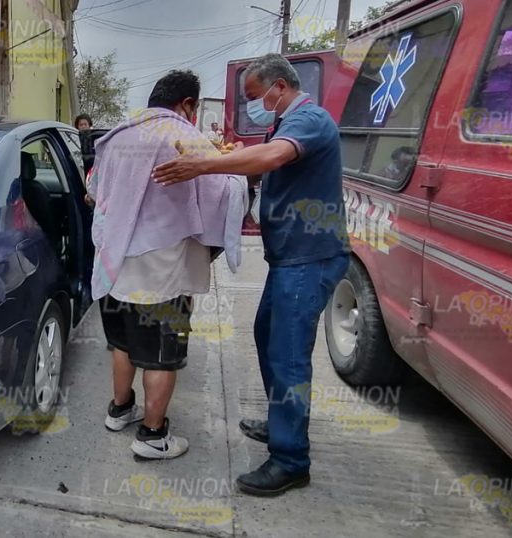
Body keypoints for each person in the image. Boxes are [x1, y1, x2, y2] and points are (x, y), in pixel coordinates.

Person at [152, 54, 350, 495]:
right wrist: (231, 159)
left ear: (280, 87)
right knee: (267, 337)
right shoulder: (283, 123)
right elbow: (266, 160)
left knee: (289, 355)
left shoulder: (310, 120)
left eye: (255, 97)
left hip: (309, 256)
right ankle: (282, 423)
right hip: (288, 257)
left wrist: (202, 165)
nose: (253, 106)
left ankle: (291, 458)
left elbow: (276, 158)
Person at [89, 70, 246, 461]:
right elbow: (221, 197)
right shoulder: (185, 138)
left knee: (122, 342)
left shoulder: (117, 136)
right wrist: (240, 172)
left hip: (112, 261)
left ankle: (120, 410)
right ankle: (153, 436)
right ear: (188, 105)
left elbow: (92, 190)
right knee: (162, 353)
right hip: (160, 266)